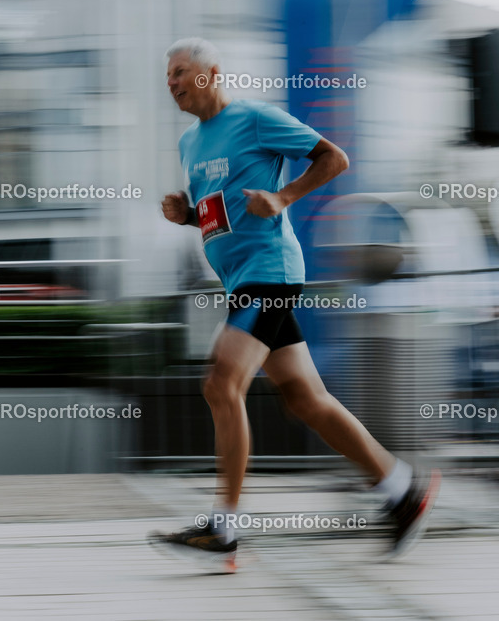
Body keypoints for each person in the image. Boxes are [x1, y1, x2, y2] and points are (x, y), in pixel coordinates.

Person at [149, 38, 439, 572]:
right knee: (306, 400)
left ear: (212, 73)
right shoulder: (190, 143)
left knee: (221, 384)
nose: (171, 82)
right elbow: (223, 213)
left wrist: (284, 197)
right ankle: (402, 489)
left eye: (181, 72)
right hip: (242, 282)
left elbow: (334, 158)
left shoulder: (255, 119)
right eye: (167, 76)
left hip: (271, 272)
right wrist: (189, 216)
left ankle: (225, 528)